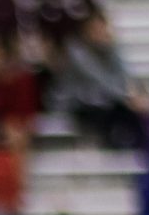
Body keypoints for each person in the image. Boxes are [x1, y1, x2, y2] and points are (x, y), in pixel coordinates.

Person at [57, 11, 142, 148]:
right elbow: (98, 78)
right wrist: (127, 96)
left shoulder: (109, 48)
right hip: (78, 102)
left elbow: (122, 74)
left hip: (106, 101)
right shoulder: (77, 51)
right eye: (96, 29)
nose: (100, 32)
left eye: (102, 28)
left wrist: (111, 49)